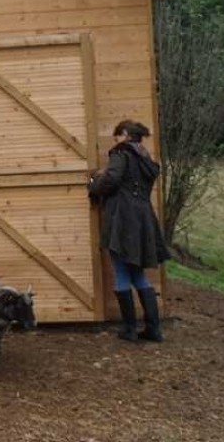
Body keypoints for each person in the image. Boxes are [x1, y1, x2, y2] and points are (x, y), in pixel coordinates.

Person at [88, 120, 170, 342]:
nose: (116, 141)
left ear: (124, 134)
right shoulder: (144, 157)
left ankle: (130, 329)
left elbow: (112, 180)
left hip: (122, 217)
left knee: (122, 271)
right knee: (137, 273)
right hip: (143, 217)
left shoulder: (122, 153)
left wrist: (93, 184)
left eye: (116, 137)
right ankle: (153, 329)